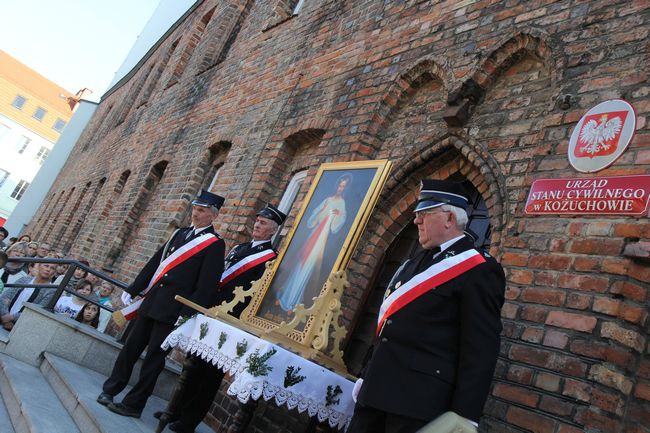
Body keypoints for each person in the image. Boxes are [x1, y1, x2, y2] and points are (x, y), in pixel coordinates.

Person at [347, 179, 506, 433]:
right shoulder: (415, 261)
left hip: (417, 404)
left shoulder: (480, 269)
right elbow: (390, 326)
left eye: (424, 213)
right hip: (375, 391)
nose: (416, 221)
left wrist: (464, 416)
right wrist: (368, 372)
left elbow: (481, 347)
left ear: (449, 219)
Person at [155, 203, 286, 433]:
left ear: (273, 231)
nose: (257, 224)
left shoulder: (270, 259)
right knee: (192, 366)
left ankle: (188, 421)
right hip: (213, 312)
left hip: (232, 320)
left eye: (263, 223)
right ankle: (174, 410)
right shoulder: (240, 248)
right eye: (257, 220)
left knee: (209, 375)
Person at [97, 190, 226, 418]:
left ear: (213, 216)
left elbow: (205, 287)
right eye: (195, 208)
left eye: (202, 210)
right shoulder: (180, 234)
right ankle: (110, 390)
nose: (195, 213)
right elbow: (156, 262)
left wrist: (186, 314)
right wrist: (134, 288)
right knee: (130, 349)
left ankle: (133, 404)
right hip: (152, 301)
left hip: (173, 310)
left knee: (153, 361)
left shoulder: (214, 244)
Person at [276, 174, 349, 313]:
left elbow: (338, 223)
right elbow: (314, 215)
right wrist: (323, 212)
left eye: (343, 187)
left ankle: (293, 302)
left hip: (322, 238)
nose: (340, 188)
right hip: (314, 234)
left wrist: (335, 216)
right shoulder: (328, 200)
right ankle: (285, 297)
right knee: (300, 263)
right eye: (340, 185)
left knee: (307, 267)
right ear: (337, 185)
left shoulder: (342, 204)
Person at [0, 262, 58, 330]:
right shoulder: (24, 279)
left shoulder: (51, 291)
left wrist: (11, 318)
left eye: (52, 268)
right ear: (39, 266)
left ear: (54, 273)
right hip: (2, 319)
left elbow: (37, 311)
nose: (48, 269)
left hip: (21, 327)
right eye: (46, 266)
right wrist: (5, 317)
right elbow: (4, 298)